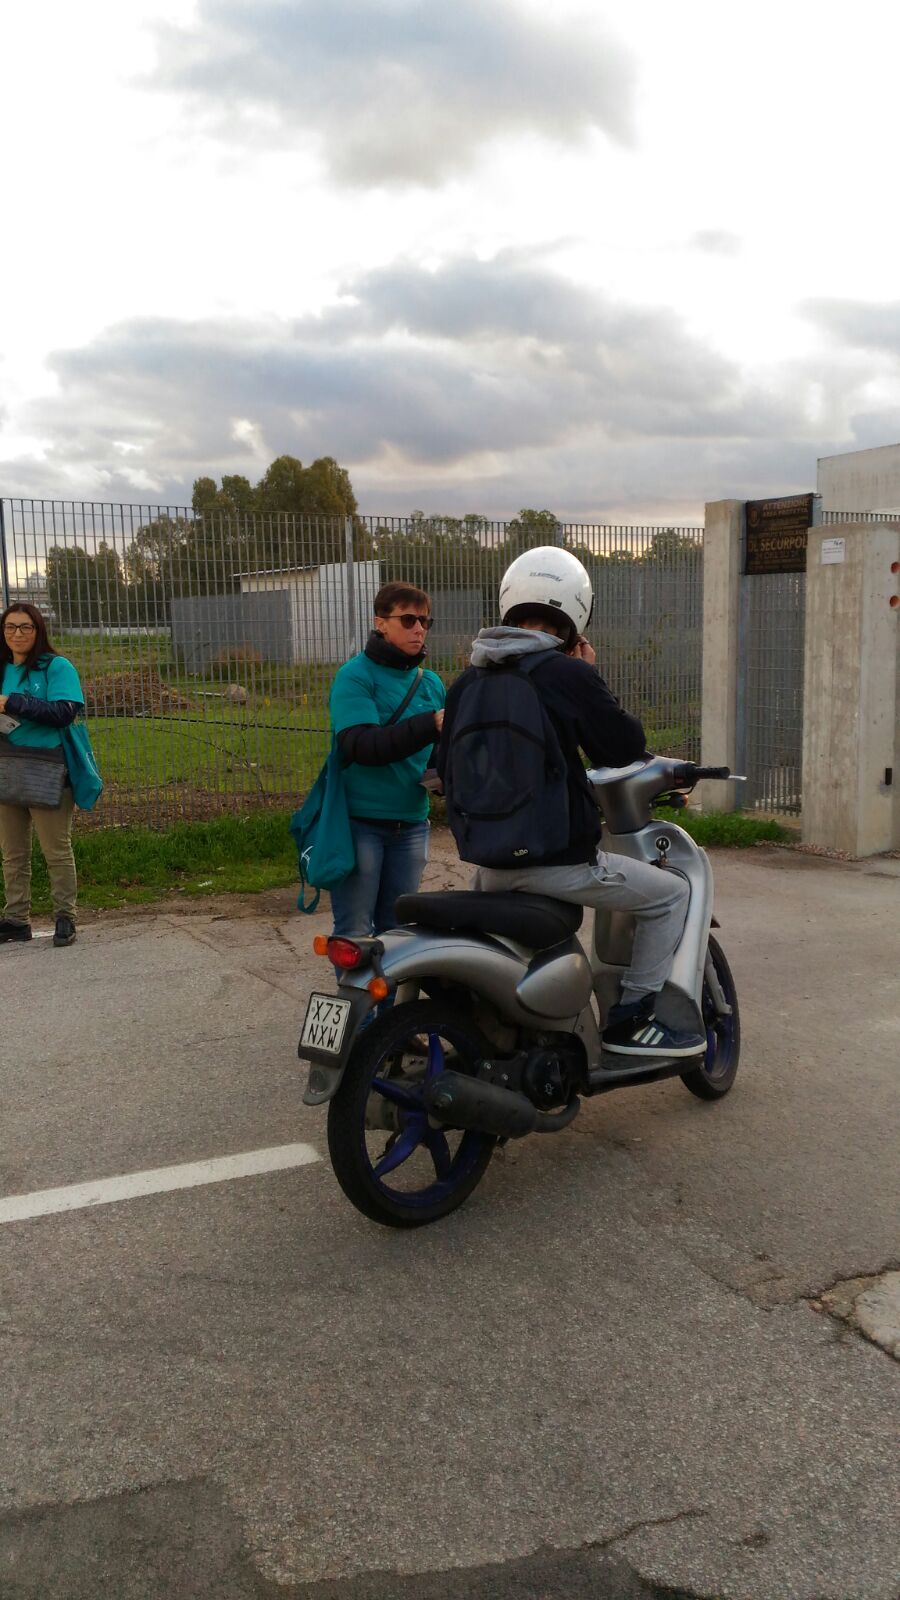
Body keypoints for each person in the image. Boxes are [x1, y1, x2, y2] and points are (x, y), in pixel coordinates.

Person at [436, 547, 705, 1058]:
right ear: (577, 613)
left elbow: (443, 770)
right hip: (557, 865)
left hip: (488, 868)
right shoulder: (566, 674)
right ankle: (633, 1015)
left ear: (509, 603)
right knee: (671, 893)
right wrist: (588, 674)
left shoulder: (467, 681)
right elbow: (623, 747)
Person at [328, 581, 445, 940]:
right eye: (408, 619)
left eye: (425, 621)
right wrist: (430, 725)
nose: (419, 629)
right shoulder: (355, 676)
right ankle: (359, 998)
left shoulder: (431, 683)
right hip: (361, 825)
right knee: (355, 930)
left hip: (411, 824)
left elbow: (436, 755)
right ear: (380, 623)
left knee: (399, 930)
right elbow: (362, 745)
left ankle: (393, 1000)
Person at [0, 603, 85, 948]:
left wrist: (12, 703)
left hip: (48, 768)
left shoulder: (57, 667)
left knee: (56, 849)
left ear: (38, 631)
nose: (16, 634)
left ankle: (66, 916)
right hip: (6, 767)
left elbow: (64, 713)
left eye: (25, 627)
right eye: (9, 627)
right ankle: (16, 919)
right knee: (12, 852)